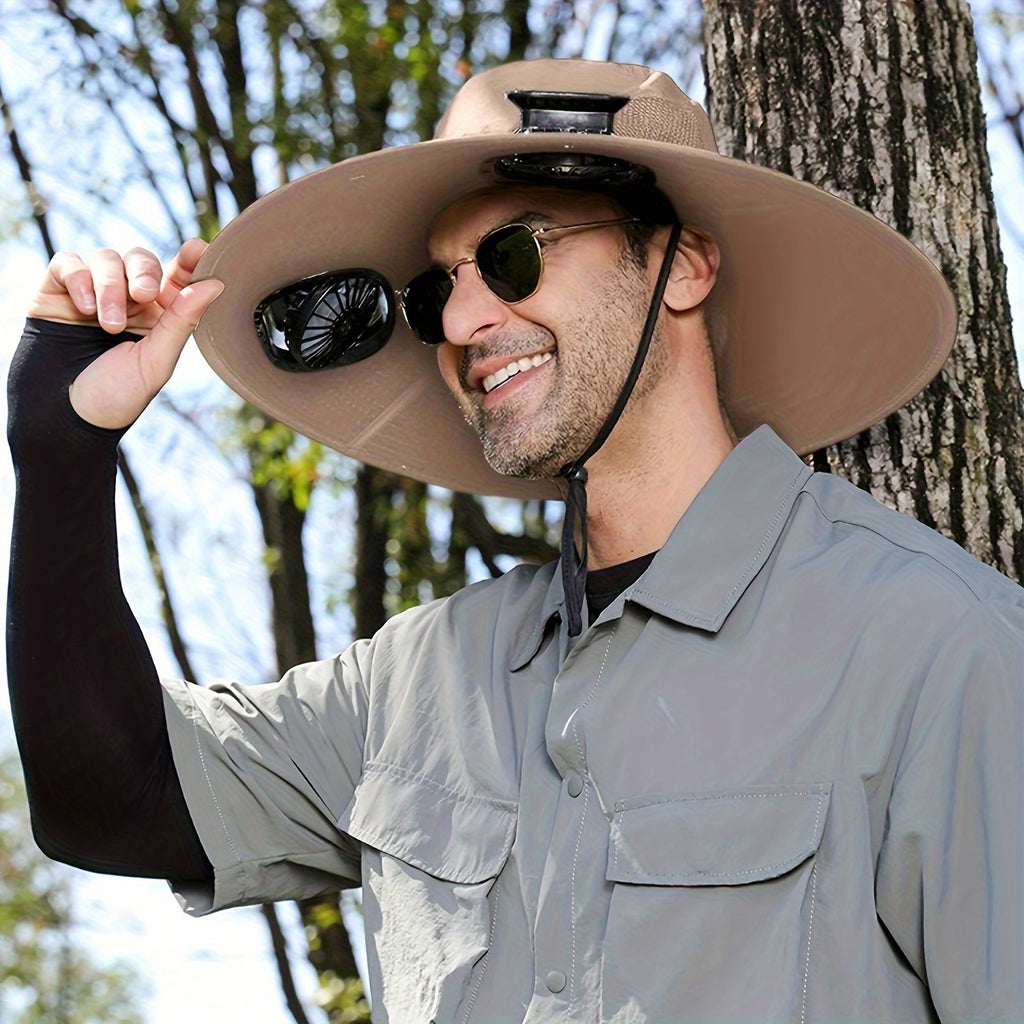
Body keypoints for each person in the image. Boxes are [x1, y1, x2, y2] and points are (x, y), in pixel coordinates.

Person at [6, 58, 1024, 1023]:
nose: (458, 320)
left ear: (683, 265)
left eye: (512, 254)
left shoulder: (936, 646)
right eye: (434, 290)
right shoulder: (420, 680)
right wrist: (61, 446)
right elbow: (111, 800)